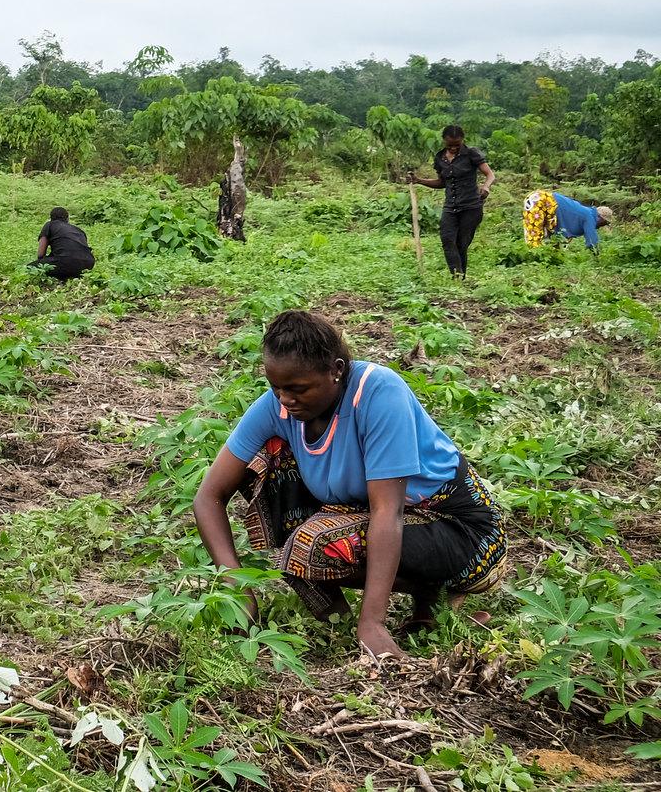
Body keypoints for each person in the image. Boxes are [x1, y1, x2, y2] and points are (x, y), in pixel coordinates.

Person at [192, 311, 507, 658]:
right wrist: (237, 586)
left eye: (298, 389)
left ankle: (430, 598)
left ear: (337, 370)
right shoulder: (278, 407)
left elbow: (389, 511)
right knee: (268, 464)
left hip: (461, 530)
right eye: (276, 387)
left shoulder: (377, 393)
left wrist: (373, 622)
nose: (285, 399)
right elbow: (208, 497)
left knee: (310, 547)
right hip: (371, 516)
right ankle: (338, 623)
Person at [405, 127, 494, 277]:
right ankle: (457, 276)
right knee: (447, 239)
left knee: (461, 244)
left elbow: (490, 174)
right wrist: (419, 180)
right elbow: (441, 182)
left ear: (462, 140)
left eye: (457, 145)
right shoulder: (440, 158)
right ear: (444, 141)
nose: (453, 148)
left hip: (471, 206)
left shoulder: (471, 154)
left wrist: (486, 186)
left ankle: (460, 277)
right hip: (450, 206)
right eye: (449, 145)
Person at [522, 190, 612, 252]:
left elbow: (561, 236)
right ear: (600, 218)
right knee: (534, 235)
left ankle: (540, 260)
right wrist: (597, 257)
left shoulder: (585, 213)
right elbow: (592, 242)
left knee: (544, 237)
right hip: (541, 201)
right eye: (604, 223)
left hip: (543, 200)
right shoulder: (590, 217)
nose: (601, 226)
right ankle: (532, 260)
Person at [32, 206, 95, 281]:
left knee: (30, 268)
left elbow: (41, 254)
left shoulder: (50, 225)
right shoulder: (78, 230)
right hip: (88, 264)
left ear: (51, 218)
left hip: (65, 262)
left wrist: (40, 263)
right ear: (67, 219)